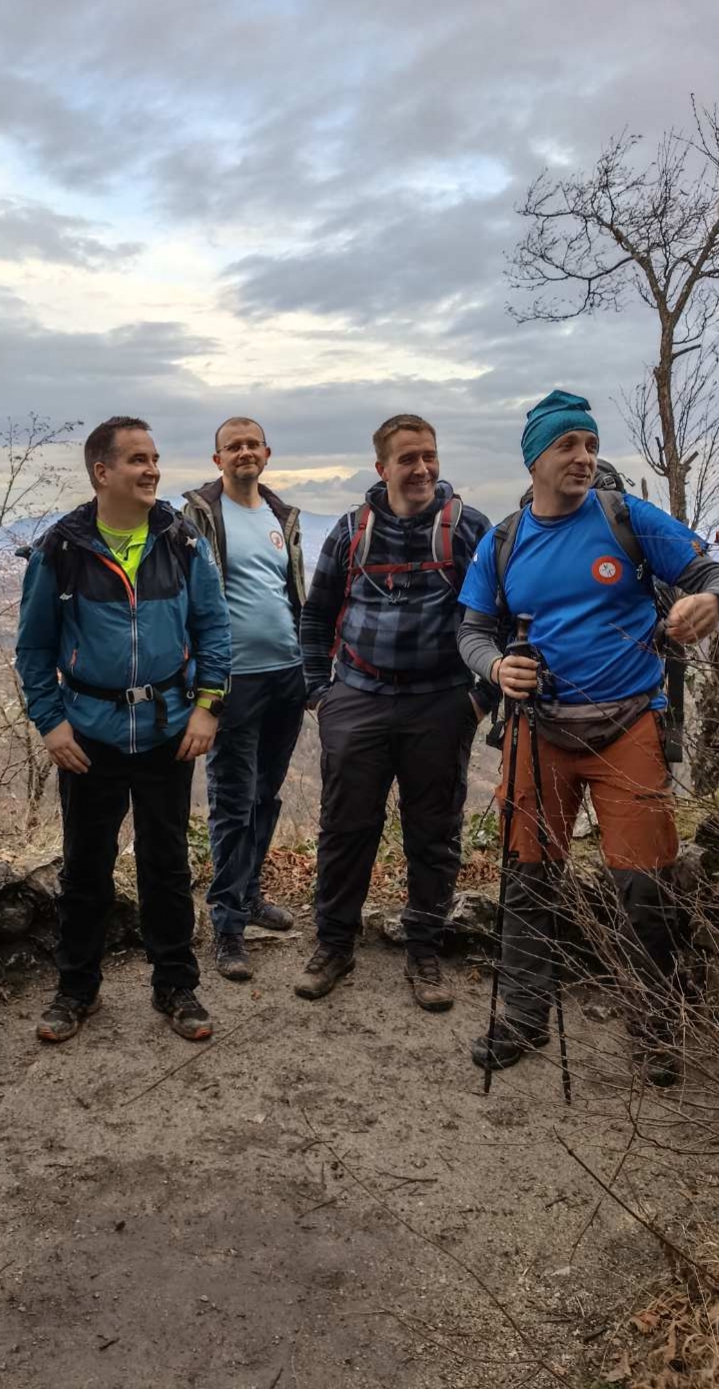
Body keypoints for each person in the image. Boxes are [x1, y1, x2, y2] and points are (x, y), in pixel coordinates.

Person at [458, 390, 719, 1084]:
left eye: (589, 444)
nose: (585, 457)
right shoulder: (502, 542)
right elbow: (469, 630)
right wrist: (497, 666)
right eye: (569, 446)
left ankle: (655, 1029)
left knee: (645, 887)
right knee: (529, 881)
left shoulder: (627, 518)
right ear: (535, 459)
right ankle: (525, 1017)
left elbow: (716, 574)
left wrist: (712, 599)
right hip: (538, 730)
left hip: (629, 725)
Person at [16, 417, 232, 1045]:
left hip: (169, 730)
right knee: (87, 865)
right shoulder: (60, 549)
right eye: (138, 459)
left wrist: (208, 706)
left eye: (155, 457)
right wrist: (51, 723)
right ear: (101, 472)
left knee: (166, 862)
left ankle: (176, 985)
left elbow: (214, 630)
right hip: (89, 736)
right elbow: (34, 649)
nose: (153, 470)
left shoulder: (182, 541)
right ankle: (75, 989)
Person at [296, 415, 493, 1009]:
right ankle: (334, 945)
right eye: (408, 458)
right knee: (345, 830)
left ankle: (424, 951)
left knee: (434, 834)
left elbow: (499, 620)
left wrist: (478, 701)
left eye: (429, 456)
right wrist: (320, 693)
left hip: (441, 700)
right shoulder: (350, 531)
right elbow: (316, 616)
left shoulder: (468, 530)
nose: (422, 469)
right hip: (358, 697)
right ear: (382, 469)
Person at [182, 417, 305, 982]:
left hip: (287, 675)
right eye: (233, 446)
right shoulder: (200, 518)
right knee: (233, 802)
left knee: (265, 796)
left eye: (252, 444)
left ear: (267, 452)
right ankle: (227, 925)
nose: (244, 453)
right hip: (232, 680)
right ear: (218, 459)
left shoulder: (281, 516)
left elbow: (290, 592)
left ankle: (249, 895)